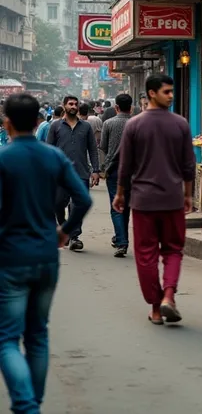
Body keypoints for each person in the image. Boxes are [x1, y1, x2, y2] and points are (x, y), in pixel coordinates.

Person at [0, 93, 91, 414]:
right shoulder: (53, 157)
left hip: (10, 259)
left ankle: (26, 406)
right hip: (46, 257)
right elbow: (83, 199)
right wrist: (65, 231)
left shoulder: (3, 158)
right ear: (39, 121)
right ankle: (33, 403)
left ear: (6, 122)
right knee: (37, 334)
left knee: (7, 339)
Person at [113, 74, 195, 325]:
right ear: (151, 93)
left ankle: (157, 307)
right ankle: (169, 295)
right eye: (166, 92)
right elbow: (188, 165)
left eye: (171, 91)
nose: (171, 95)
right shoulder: (180, 124)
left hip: (143, 201)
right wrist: (188, 194)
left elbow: (125, 166)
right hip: (171, 199)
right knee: (173, 250)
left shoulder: (134, 125)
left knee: (145, 254)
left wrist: (120, 193)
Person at [47, 95, 99, 252]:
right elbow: (48, 150)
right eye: (70, 104)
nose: (73, 106)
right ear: (64, 106)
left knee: (77, 205)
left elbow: (93, 149)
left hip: (81, 173)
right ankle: (64, 227)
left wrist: (96, 170)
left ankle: (75, 236)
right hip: (59, 174)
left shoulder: (86, 127)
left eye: (75, 104)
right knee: (58, 203)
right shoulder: (55, 126)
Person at [101, 93, 133, 258]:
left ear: (116, 108)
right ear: (131, 107)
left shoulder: (108, 123)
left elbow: (104, 147)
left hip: (114, 170)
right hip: (134, 171)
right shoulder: (137, 123)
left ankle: (121, 241)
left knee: (116, 205)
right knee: (126, 206)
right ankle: (121, 238)